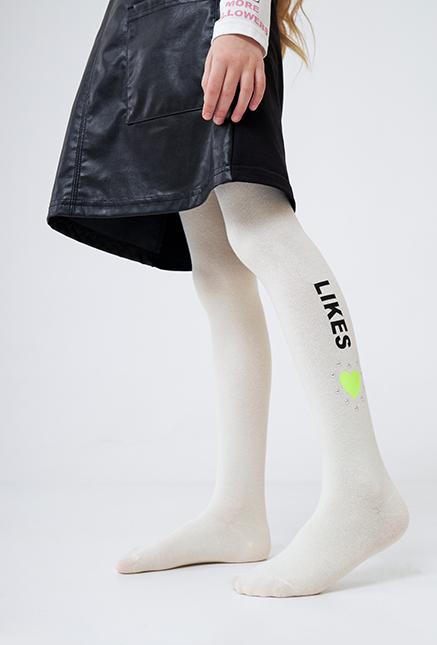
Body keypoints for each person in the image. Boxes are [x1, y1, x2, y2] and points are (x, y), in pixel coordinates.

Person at [47, 0, 409, 597]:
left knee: (260, 227)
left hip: (211, 19)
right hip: (153, 25)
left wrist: (243, 20)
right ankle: (237, 511)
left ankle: (361, 487)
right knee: (216, 268)